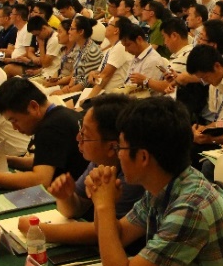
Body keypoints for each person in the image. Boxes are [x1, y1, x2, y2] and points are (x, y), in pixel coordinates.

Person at [84, 96, 223, 266]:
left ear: (143, 157)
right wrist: (102, 199)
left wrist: (104, 206)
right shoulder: (164, 184)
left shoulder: (191, 208)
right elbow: (120, 236)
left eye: (120, 147)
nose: (118, 154)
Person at [18, 94, 145, 243]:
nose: (78, 138)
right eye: (80, 130)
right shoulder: (100, 162)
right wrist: (66, 197)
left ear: (112, 147)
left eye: (85, 134)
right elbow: (74, 209)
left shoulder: (132, 177)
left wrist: (38, 230)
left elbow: (108, 232)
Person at [0, 77, 87, 189]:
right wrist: (8, 160)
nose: (14, 128)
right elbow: (45, 161)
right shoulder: (61, 115)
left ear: (34, 107)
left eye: (14, 120)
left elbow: (40, 180)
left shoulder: (51, 127)